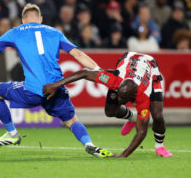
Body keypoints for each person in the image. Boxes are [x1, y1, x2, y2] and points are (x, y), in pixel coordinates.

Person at [0, 3, 113, 158]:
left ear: (22, 20)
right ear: (40, 19)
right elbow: (79, 55)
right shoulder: (55, 32)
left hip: (33, 91)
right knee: (71, 121)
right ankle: (89, 144)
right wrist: (100, 70)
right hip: (56, 88)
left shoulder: (16, 31)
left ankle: (12, 134)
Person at [43, 52, 172, 158]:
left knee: (157, 114)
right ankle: (132, 117)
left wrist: (123, 155)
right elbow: (84, 73)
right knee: (110, 111)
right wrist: (55, 85)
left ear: (132, 97)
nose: (119, 99)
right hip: (129, 58)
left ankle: (159, 146)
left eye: (123, 98)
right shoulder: (113, 79)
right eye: (119, 95)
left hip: (150, 68)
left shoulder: (143, 96)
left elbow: (142, 131)